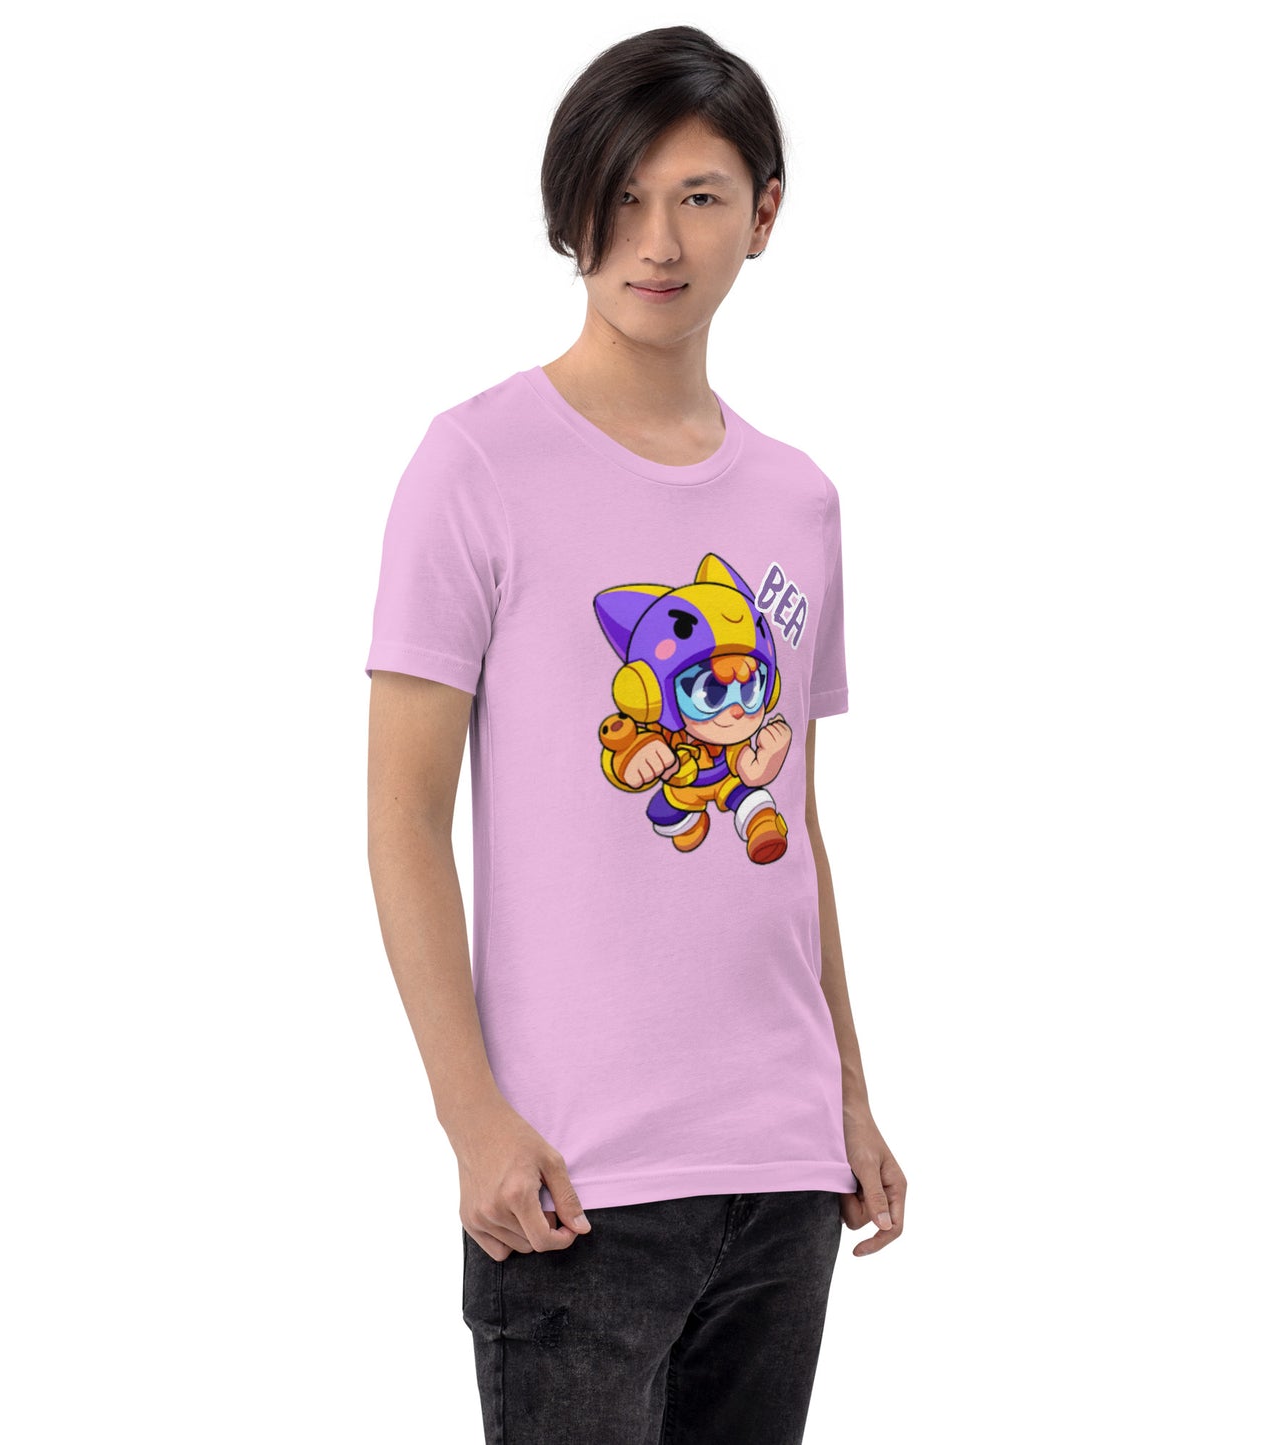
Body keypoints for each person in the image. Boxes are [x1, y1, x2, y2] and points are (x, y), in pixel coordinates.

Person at [365, 24, 906, 1444]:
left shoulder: (797, 500)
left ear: (763, 214)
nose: (657, 241)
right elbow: (402, 816)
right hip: (571, 1179)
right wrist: (471, 1119)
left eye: (700, 197)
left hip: (781, 1169)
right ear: (573, 210)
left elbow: (794, 830)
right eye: (622, 197)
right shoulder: (475, 463)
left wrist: (847, 1097)